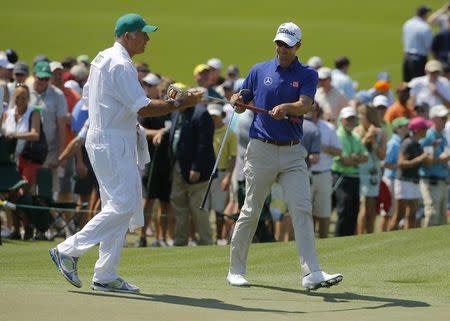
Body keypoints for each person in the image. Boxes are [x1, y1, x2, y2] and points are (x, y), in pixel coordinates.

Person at [49, 13, 202, 293]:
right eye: (143, 33)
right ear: (128, 35)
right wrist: (181, 103)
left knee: (118, 206)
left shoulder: (105, 57)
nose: (148, 38)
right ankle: (68, 250)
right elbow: (142, 107)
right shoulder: (120, 63)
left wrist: (170, 100)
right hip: (112, 140)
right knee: (123, 206)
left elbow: (96, 97)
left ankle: (105, 274)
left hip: (109, 137)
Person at [226, 22, 342, 290]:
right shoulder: (258, 70)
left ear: (298, 46)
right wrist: (237, 100)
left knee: (302, 208)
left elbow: (305, 104)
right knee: (251, 209)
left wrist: (287, 107)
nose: (282, 49)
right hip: (262, 149)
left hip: (292, 152)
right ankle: (236, 269)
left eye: (288, 46)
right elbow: (243, 100)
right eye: (279, 44)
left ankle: (311, 273)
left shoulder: (307, 74)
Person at [332, 107, 368, 236]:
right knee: (344, 210)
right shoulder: (338, 135)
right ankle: (338, 239)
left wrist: (354, 158)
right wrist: (356, 158)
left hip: (354, 177)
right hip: (341, 177)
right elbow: (344, 161)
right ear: (342, 120)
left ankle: (348, 239)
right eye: (348, 119)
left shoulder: (355, 136)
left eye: (353, 119)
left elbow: (365, 157)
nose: (351, 121)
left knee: (354, 210)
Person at [389, 117, 430, 230]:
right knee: (399, 214)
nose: (427, 130)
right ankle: (387, 240)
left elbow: (426, 162)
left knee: (412, 215)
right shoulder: (407, 143)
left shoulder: (418, 144)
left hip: (414, 181)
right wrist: (421, 158)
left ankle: (407, 242)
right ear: (417, 130)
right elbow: (401, 163)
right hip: (403, 181)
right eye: (425, 128)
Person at [309, 103, 342, 238]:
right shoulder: (298, 125)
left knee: (323, 213)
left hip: (324, 174)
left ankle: (324, 243)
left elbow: (338, 151)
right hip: (306, 173)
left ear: (318, 111)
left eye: (312, 109)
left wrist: (321, 147)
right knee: (306, 213)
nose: (309, 112)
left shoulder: (328, 128)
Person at [207, 103, 237, 245]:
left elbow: (233, 157)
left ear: (221, 116)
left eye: (215, 116)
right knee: (205, 208)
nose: (213, 119)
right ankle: (206, 238)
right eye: (211, 116)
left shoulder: (229, 133)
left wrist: (228, 176)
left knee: (219, 209)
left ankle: (219, 238)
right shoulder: (205, 130)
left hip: (221, 173)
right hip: (205, 173)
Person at [354, 104, 386, 234]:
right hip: (359, 172)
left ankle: (370, 234)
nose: (359, 117)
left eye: (361, 115)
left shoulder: (381, 132)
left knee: (371, 207)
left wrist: (373, 141)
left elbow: (382, 155)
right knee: (363, 208)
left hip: (373, 173)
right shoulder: (356, 131)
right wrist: (368, 135)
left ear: (368, 116)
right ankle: (360, 236)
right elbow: (357, 151)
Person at [419, 105, 450, 227]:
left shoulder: (442, 136)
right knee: (432, 214)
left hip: (442, 180)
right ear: (434, 119)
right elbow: (426, 161)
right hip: (431, 181)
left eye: (445, 117)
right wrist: (440, 159)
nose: (445, 120)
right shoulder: (428, 136)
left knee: (442, 217)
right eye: (442, 118)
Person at [381, 117, 410, 231]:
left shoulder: (401, 141)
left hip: (396, 179)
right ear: (397, 129)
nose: (407, 128)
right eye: (404, 126)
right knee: (388, 213)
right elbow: (385, 163)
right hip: (390, 179)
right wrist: (399, 165)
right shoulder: (393, 143)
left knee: (394, 212)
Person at [402, 5, 433, 81]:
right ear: (425, 14)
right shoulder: (425, 27)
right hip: (419, 60)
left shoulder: (407, 23)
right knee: (420, 83)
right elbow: (429, 46)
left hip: (406, 57)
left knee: (407, 83)